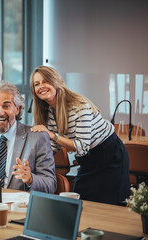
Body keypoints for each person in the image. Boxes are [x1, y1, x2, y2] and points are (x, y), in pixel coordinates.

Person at [30, 65, 130, 204]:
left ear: (56, 82)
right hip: (88, 159)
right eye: (37, 84)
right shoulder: (48, 111)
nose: (41, 86)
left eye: (45, 81)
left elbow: (82, 147)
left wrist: (52, 135)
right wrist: (33, 163)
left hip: (110, 155)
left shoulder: (78, 106)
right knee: (81, 203)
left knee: (112, 208)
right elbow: (54, 146)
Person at [0, 81, 56, 193]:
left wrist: (31, 179)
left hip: (19, 207)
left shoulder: (38, 138)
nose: (0, 112)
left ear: (17, 109)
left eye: (6, 106)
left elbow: (50, 185)